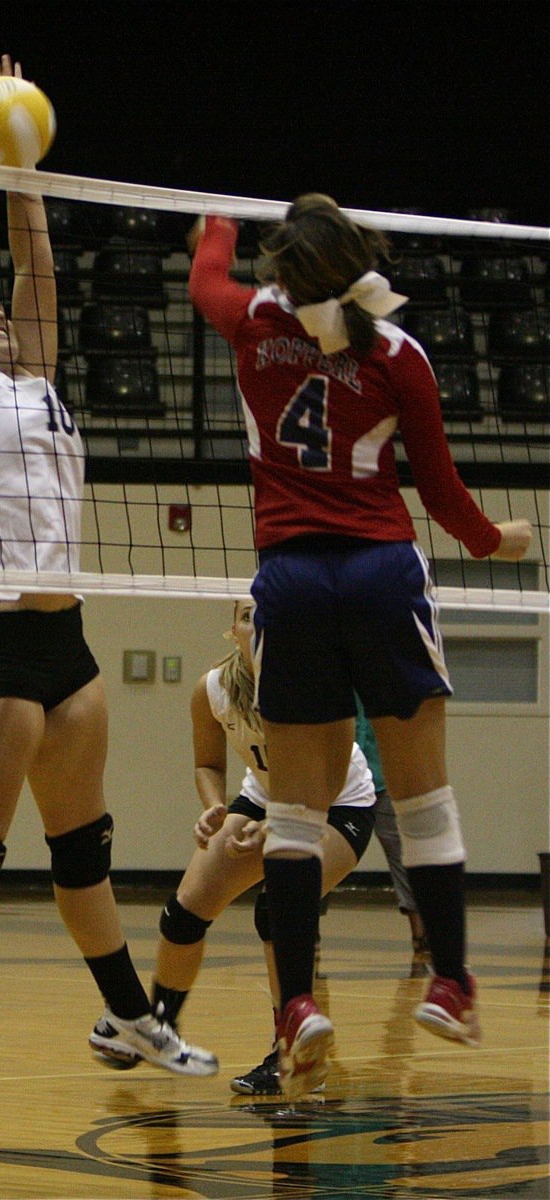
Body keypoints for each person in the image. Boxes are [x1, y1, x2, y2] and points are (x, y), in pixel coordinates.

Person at [0, 33, 217, 1152]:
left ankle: (126, 1010)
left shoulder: (36, 378)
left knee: (85, 850)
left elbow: (37, 269)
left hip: (66, 641)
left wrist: (20, 166)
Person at [187, 196, 531, 1097]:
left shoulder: (254, 324)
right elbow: (445, 495)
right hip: (381, 573)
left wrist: (214, 225)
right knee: (424, 799)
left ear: (283, 273)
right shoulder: (396, 355)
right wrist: (501, 542)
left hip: (290, 580)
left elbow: (204, 281)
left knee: (294, 814)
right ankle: (449, 985)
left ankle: (296, 1003)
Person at [134, 597, 376, 1096]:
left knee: (276, 907)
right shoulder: (214, 689)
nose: (258, 622)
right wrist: (214, 809)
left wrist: (283, 827)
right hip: (263, 798)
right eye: (248, 616)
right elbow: (209, 765)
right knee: (185, 912)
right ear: (234, 631)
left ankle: (289, 1051)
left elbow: (329, 776)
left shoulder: (320, 681)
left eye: (270, 613)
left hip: (338, 806)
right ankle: (159, 1030)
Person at [355, 696, 429, 961]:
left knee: (403, 854)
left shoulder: (383, 680)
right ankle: (310, 932)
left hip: (383, 779)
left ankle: (421, 933)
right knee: (321, 853)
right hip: (343, 783)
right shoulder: (334, 677)